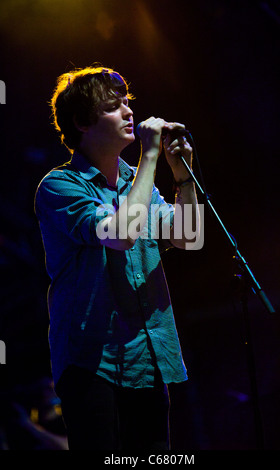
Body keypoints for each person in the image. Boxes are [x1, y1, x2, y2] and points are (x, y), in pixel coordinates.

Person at [34, 65, 201, 451]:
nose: (129, 112)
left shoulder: (135, 182)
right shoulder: (60, 186)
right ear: (82, 121)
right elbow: (121, 234)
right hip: (94, 363)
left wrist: (182, 175)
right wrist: (151, 156)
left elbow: (190, 237)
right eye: (114, 106)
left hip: (146, 359)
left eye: (128, 102)